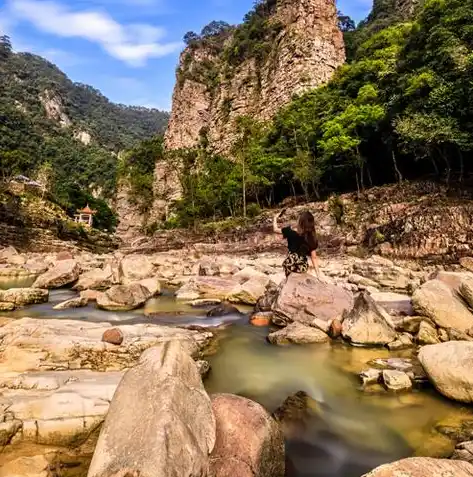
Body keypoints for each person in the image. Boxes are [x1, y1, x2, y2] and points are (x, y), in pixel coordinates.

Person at [273, 209, 321, 278]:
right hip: (301, 267)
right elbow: (314, 258)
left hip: (290, 265)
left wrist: (275, 218)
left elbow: (275, 229)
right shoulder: (311, 237)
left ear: (300, 222)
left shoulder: (290, 231)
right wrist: (318, 276)